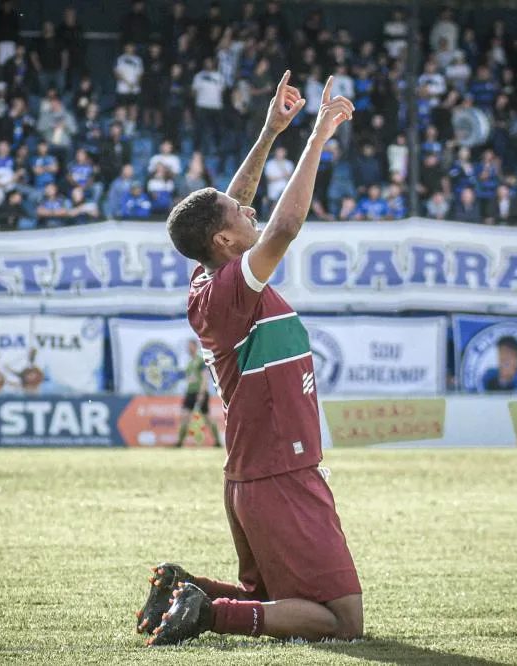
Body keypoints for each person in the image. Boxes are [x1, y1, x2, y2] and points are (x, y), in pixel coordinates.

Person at [139, 72, 361, 646]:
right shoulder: (235, 288)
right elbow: (286, 225)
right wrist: (316, 137)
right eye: (238, 216)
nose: (247, 211)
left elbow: (229, 210)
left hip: (251, 476)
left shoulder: (208, 281)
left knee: (278, 604)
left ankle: (189, 590)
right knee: (341, 621)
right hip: (280, 473)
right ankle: (207, 613)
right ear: (226, 243)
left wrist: (268, 132)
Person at [174, 339, 222, 449]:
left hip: (199, 392)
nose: (188, 348)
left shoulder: (200, 361)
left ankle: (218, 442)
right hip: (190, 392)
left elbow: (205, 377)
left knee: (207, 418)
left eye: (190, 346)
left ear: (195, 347)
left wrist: (202, 392)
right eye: (188, 346)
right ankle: (179, 443)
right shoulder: (189, 363)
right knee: (184, 416)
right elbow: (189, 378)